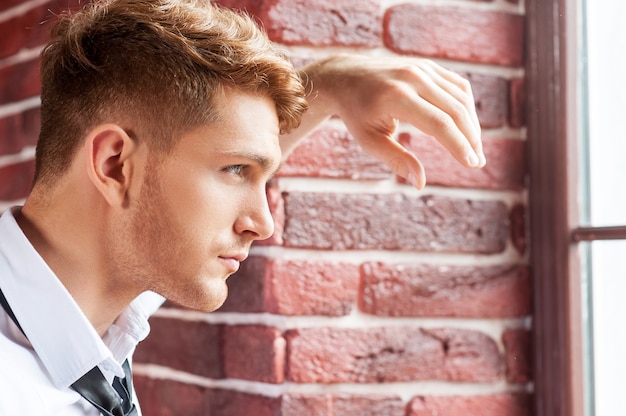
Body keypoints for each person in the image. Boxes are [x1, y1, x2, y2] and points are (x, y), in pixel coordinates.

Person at [0, 0, 485, 414]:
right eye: (236, 172)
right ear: (114, 166)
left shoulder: (92, 297)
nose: (263, 224)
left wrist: (332, 83)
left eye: (261, 177)